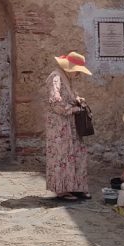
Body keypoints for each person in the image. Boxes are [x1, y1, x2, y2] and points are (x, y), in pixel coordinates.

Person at [45, 52, 92, 201]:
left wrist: (78, 100)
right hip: (60, 125)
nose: (78, 74)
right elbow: (55, 102)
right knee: (62, 155)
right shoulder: (56, 77)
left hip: (71, 124)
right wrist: (73, 109)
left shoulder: (67, 78)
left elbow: (69, 96)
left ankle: (77, 187)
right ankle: (62, 189)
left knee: (77, 153)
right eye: (77, 70)